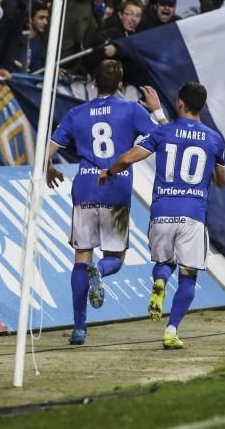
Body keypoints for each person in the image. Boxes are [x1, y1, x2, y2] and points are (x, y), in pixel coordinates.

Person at [46, 59, 167, 345]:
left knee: (81, 255)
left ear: (92, 82)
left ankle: (79, 328)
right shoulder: (131, 109)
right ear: (121, 85)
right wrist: (156, 114)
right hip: (115, 186)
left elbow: (47, 149)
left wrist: (48, 167)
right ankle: (99, 272)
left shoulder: (76, 113)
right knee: (115, 258)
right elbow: (161, 137)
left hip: (85, 187)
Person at [98, 82, 225, 350]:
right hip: (193, 215)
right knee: (189, 274)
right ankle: (171, 330)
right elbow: (221, 181)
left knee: (163, 261)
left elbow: (128, 157)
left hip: (162, 213)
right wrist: (213, 171)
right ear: (202, 105)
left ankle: (159, 281)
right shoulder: (215, 139)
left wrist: (109, 172)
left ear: (179, 102)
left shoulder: (162, 132)